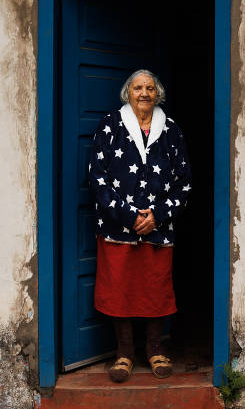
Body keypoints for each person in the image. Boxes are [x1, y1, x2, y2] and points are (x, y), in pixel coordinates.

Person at [88, 69, 192, 383]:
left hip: (158, 230)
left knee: (154, 290)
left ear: (157, 94)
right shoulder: (110, 126)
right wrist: (129, 216)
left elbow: (183, 182)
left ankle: (155, 350)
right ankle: (124, 354)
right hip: (118, 229)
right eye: (138, 88)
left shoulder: (171, 130)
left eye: (149, 88)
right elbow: (97, 178)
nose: (144, 93)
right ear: (128, 93)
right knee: (119, 290)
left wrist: (157, 214)